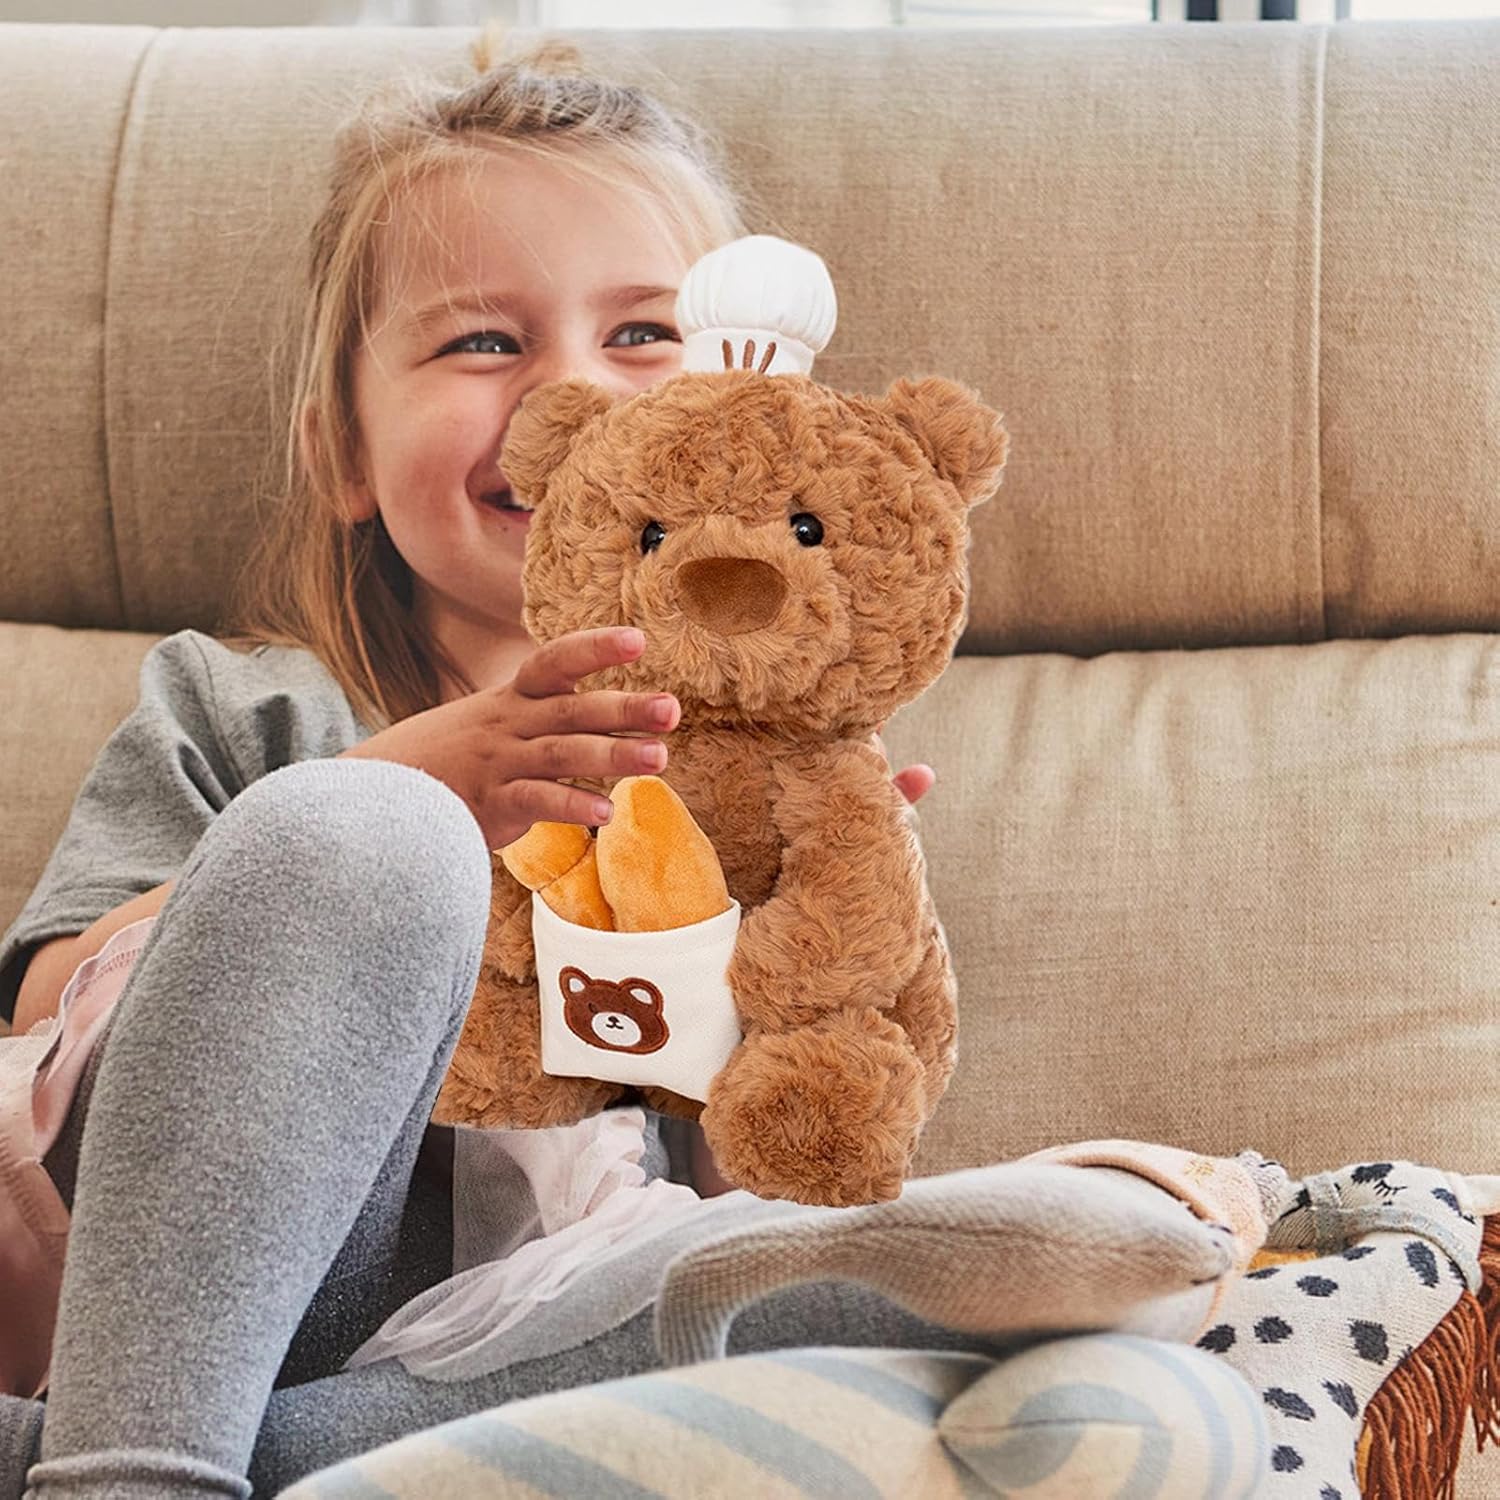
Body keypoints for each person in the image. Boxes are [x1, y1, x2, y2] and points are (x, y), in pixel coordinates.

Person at [0, 35, 951, 1500]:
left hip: (498, 1349)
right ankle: (137, 1465)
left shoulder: (747, 782)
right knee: (361, 839)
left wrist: (797, 963)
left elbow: (753, 1196)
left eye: (646, 334)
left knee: (919, 1303)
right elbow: (53, 1015)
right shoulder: (247, 704)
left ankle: (157, 1466)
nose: (576, 392)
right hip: (191, 1308)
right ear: (344, 455)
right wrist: (406, 789)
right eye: (484, 343)